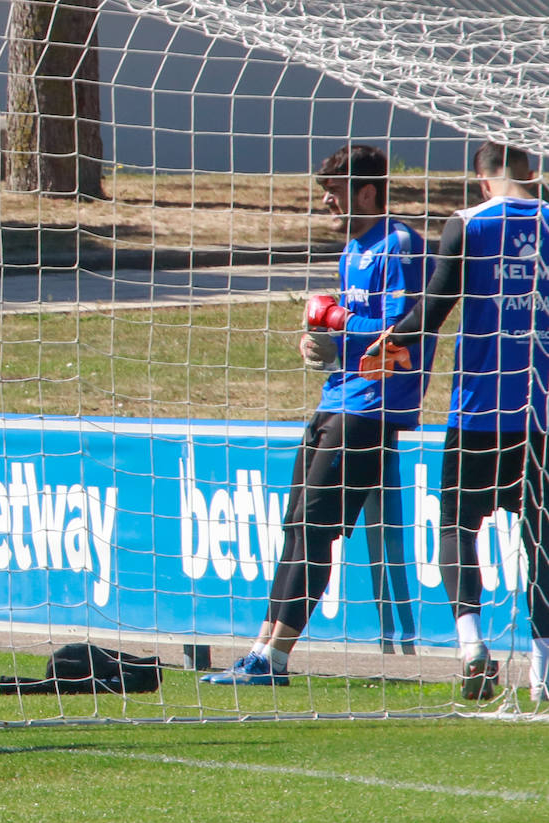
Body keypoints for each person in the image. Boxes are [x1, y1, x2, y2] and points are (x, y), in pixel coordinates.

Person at [205, 144, 434, 686]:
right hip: (336, 399)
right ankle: (259, 650)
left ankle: (276, 659)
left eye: (334, 194)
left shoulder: (398, 244)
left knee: (315, 529)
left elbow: (406, 334)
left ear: (367, 193)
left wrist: (338, 331)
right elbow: (355, 330)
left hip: (374, 407)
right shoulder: (352, 251)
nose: (327, 204)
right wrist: (322, 344)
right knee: (295, 526)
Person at [364, 140, 549, 701]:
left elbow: (438, 305)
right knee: (541, 539)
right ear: (530, 173)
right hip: (541, 412)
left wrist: (387, 343)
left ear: (482, 179)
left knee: (454, 525)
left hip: (478, 409)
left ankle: (472, 646)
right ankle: (544, 667)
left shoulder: (467, 224)